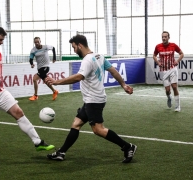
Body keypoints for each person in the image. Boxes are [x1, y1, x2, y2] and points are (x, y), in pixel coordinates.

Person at [0, 26, 55, 165]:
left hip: (0, 91)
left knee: (18, 112)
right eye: (0, 39)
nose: (1, 42)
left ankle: (38, 142)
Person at [45, 34, 137, 163]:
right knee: (76, 124)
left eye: (74, 47)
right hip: (92, 99)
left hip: (94, 100)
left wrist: (57, 82)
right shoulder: (98, 56)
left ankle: (128, 147)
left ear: (80, 45)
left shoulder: (87, 60)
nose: (74, 50)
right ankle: (61, 152)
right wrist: (123, 85)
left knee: (98, 130)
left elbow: (78, 77)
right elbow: (113, 71)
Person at [153, 31, 184, 112]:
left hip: (173, 69)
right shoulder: (158, 46)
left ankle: (177, 106)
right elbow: (154, 55)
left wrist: (177, 61)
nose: (164, 38)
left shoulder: (173, 45)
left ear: (168, 37)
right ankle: (169, 97)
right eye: (162, 37)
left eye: (165, 37)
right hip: (164, 71)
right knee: (167, 90)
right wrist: (158, 62)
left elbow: (182, 54)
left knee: (174, 87)